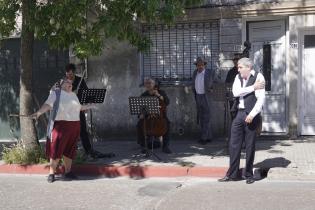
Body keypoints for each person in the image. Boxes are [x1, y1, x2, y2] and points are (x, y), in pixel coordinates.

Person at [31, 79, 95, 183]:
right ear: (61, 85)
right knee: (56, 150)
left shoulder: (73, 95)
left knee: (70, 150)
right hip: (60, 125)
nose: (71, 84)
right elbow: (47, 105)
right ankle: (51, 173)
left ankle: (68, 172)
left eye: (71, 83)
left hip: (74, 125)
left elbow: (79, 108)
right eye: (68, 82)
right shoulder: (56, 93)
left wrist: (90, 106)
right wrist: (38, 113)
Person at [218, 58, 265, 184]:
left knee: (250, 145)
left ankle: (248, 174)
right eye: (238, 67)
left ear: (248, 67)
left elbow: (260, 100)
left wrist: (253, 114)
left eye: (240, 67)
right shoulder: (238, 77)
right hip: (239, 113)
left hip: (251, 115)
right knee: (233, 144)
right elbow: (236, 92)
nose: (238, 69)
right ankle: (232, 174)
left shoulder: (259, 77)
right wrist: (252, 87)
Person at [63, 64, 112, 159]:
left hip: (79, 108)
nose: (69, 76)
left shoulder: (80, 81)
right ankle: (69, 151)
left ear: (74, 73)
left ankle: (88, 150)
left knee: (83, 131)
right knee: (69, 132)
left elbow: (87, 93)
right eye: (68, 74)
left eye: (71, 75)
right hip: (67, 111)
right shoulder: (63, 82)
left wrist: (89, 101)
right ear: (66, 73)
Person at [136, 78, 172, 154]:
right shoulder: (144, 95)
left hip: (160, 116)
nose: (148, 85)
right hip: (148, 116)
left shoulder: (161, 92)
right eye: (146, 83)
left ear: (154, 84)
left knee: (168, 124)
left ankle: (166, 146)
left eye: (150, 83)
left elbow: (167, 102)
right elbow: (140, 109)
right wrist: (141, 115)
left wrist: (158, 95)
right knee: (139, 124)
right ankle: (143, 146)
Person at [192, 57, 216, 145]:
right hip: (198, 96)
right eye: (198, 65)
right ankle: (209, 137)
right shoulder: (195, 73)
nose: (200, 66)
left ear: (204, 65)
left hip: (207, 97)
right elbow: (193, 83)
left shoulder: (210, 73)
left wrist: (213, 89)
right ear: (196, 66)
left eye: (201, 65)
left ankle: (204, 138)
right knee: (201, 118)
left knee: (206, 118)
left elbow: (217, 82)